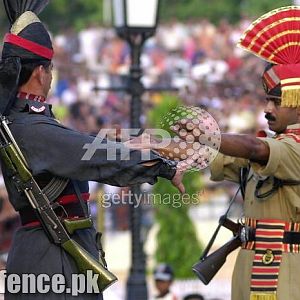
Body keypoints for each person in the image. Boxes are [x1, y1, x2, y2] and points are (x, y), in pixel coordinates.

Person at [0, 1, 184, 299]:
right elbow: (92, 156)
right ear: (39, 73)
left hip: (47, 254)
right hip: (51, 261)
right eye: (50, 70)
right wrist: (162, 164)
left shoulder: (21, 121)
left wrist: (127, 145)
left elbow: (78, 150)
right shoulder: (31, 126)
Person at [128, 5, 300, 300]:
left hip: (287, 269)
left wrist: (206, 133)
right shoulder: (272, 145)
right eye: (267, 100)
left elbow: (253, 147)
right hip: (250, 263)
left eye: (276, 102)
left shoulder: (290, 148)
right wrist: (156, 142)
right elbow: (203, 154)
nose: (267, 110)